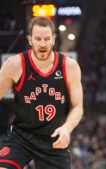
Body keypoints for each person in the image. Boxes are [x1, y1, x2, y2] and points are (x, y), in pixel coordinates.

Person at [0, 16, 83, 169]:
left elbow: (77, 107)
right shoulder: (14, 65)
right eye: (38, 39)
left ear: (53, 39)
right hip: (22, 136)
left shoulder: (69, 66)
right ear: (30, 40)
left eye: (47, 38)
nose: (43, 43)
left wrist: (67, 128)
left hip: (54, 140)